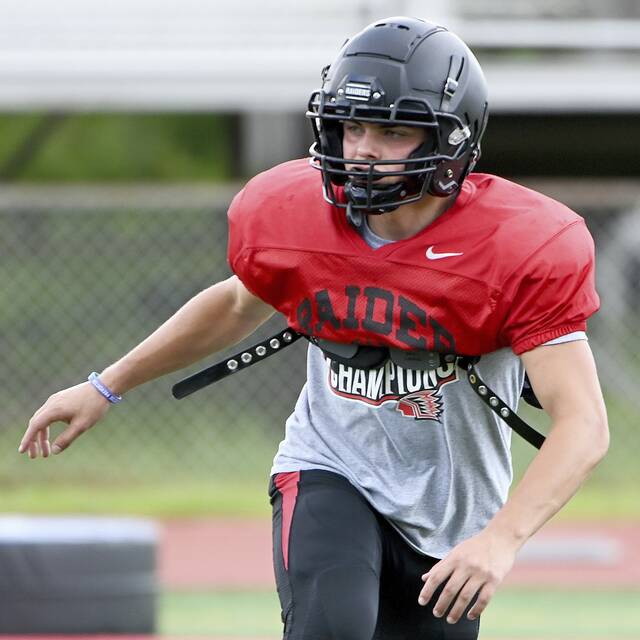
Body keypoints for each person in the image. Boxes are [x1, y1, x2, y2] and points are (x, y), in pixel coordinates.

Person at [20, 16, 609, 640]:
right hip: (331, 465)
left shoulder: (518, 245)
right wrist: (105, 386)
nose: (362, 150)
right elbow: (236, 304)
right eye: (352, 126)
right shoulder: (295, 215)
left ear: (452, 142)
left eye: (392, 130)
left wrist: (500, 541)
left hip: (453, 510)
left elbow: (584, 423)